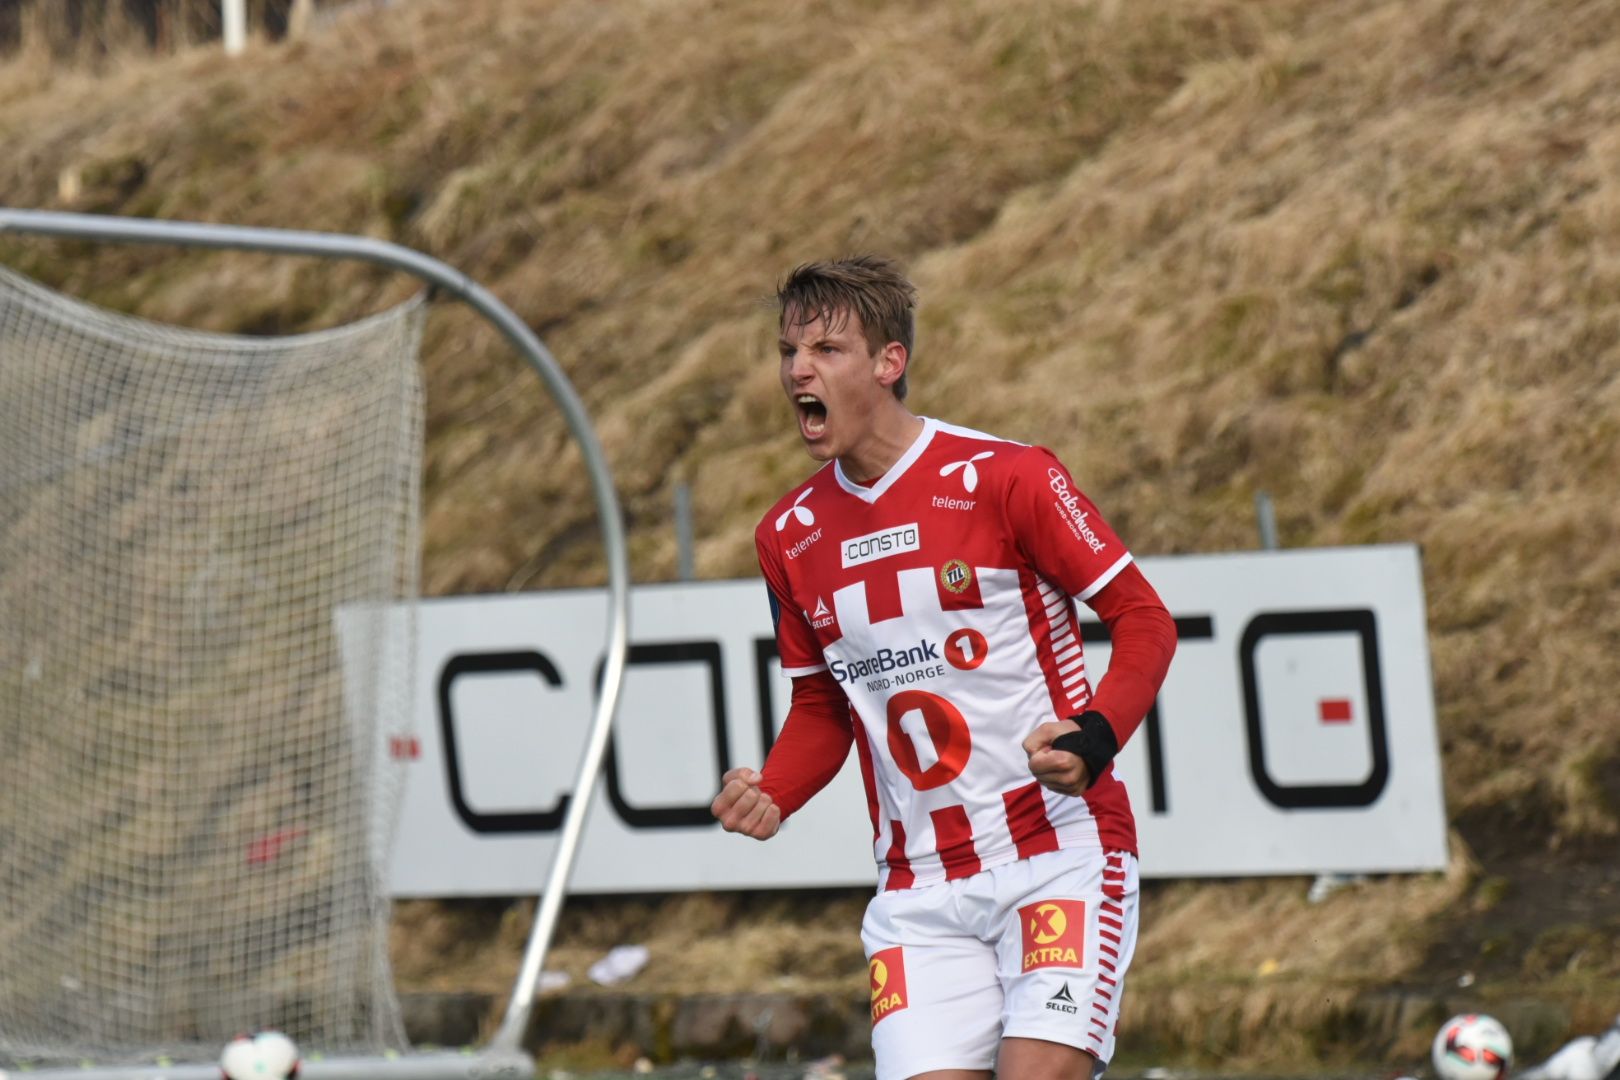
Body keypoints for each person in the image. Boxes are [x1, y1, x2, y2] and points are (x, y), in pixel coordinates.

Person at [711, 255, 1177, 1080]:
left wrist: (1095, 735)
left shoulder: (1008, 477)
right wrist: (773, 791)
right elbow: (823, 708)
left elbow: (1143, 619)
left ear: (889, 362)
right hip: (917, 893)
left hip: (1055, 854)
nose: (798, 371)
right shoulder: (788, 535)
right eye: (788, 351)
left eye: (826, 350)